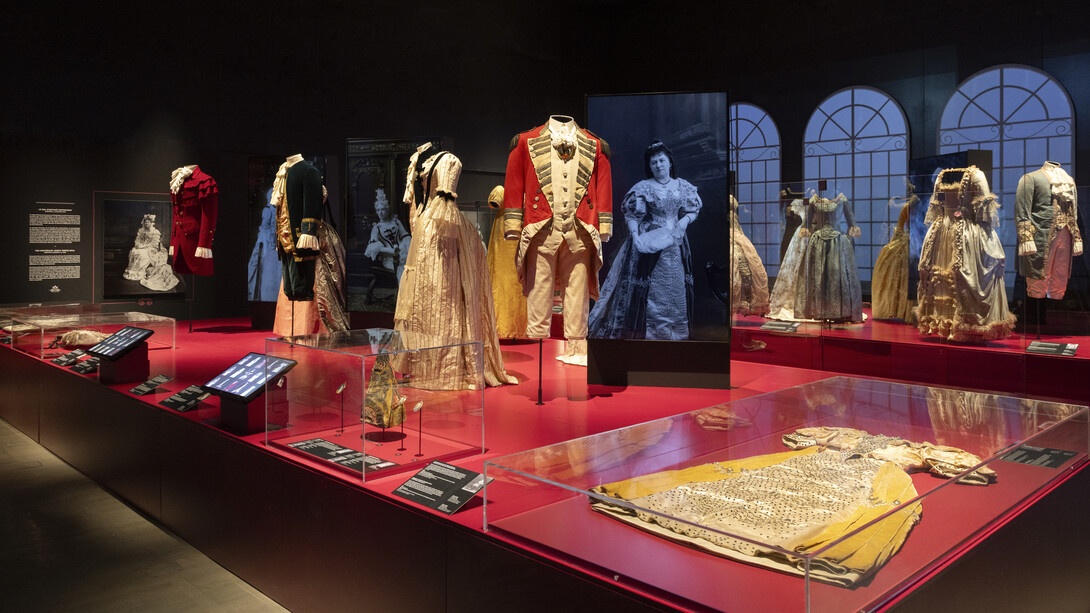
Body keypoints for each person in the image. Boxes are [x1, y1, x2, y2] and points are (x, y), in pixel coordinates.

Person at [588, 140, 701, 339]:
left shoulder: (682, 186)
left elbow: (693, 209)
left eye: (661, 160)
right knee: (654, 287)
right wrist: (636, 237)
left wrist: (684, 221)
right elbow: (632, 215)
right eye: (653, 162)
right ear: (649, 166)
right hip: (652, 243)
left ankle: (677, 332)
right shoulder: (643, 188)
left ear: (670, 162)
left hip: (677, 242)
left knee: (677, 286)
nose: (658, 165)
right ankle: (654, 333)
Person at [363, 188, 410, 283]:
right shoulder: (377, 228)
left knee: (411, 264)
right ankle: (402, 294)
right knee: (402, 267)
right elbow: (374, 247)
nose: (380, 212)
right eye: (378, 210)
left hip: (403, 253)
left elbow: (406, 237)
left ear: (387, 210)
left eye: (383, 209)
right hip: (389, 258)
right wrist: (392, 251)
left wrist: (403, 249)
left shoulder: (396, 222)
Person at [123, 213, 179, 291]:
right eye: (145, 222)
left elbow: (154, 244)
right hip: (142, 246)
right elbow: (138, 240)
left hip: (152, 248)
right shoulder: (141, 230)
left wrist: (144, 247)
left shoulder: (155, 232)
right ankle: (133, 271)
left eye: (148, 222)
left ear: (151, 223)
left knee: (142, 254)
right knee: (134, 251)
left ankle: (140, 272)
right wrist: (138, 245)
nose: (146, 223)